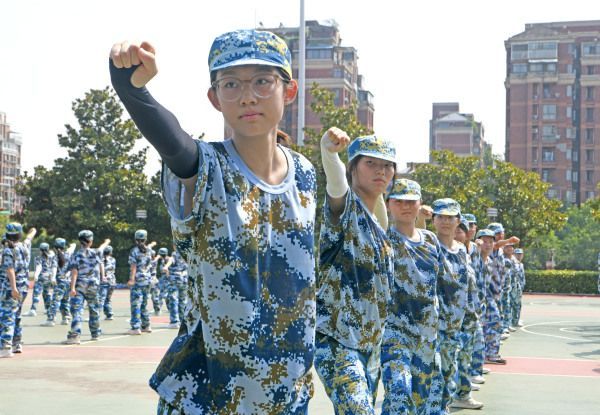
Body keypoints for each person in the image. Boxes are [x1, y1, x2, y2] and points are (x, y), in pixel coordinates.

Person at [110, 29, 317, 413]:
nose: (247, 96)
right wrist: (132, 91)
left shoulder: (305, 174)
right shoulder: (207, 168)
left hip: (287, 393)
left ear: (289, 91)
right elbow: (176, 146)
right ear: (214, 98)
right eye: (231, 84)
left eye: (262, 81)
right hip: (209, 394)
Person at [315, 129, 396, 414]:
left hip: (370, 343)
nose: (380, 171)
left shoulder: (380, 226)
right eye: (370, 163)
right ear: (353, 168)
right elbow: (336, 185)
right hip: (338, 340)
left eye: (387, 165)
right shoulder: (346, 207)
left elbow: (381, 217)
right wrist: (329, 152)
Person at [381, 179, 446, 415]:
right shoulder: (384, 239)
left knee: (422, 399)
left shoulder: (430, 240)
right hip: (395, 331)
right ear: (388, 205)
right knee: (398, 390)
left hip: (427, 334)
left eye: (411, 201)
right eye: (398, 201)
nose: (405, 206)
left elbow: (437, 285)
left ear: (420, 205)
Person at [451, 216, 484, 410]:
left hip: (469, 315)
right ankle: (454, 395)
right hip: (452, 319)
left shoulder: (464, 252)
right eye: (458, 229)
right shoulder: (439, 249)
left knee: (465, 356)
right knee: (451, 359)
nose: (458, 233)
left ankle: (463, 393)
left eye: (460, 230)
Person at [64, 230, 110, 344]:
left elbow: (74, 272)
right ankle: (95, 333)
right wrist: (102, 277)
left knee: (77, 310)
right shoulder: (96, 253)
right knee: (94, 309)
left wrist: (72, 288)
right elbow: (101, 264)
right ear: (90, 241)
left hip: (80, 285)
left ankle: (75, 334)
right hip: (93, 285)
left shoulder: (76, 255)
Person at [0, 224, 37, 357]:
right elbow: (29, 237)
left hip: (11, 288)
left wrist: (13, 287)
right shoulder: (24, 246)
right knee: (17, 316)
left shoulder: (8, 250)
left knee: (7, 316)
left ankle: (5, 347)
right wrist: (33, 231)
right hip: (23, 287)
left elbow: (10, 269)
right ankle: (17, 344)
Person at [127, 230, 155, 335]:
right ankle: (146, 325)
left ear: (135, 239)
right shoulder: (150, 251)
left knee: (136, 304)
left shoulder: (134, 251)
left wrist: (131, 279)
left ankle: (135, 327)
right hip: (147, 280)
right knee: (144, 304)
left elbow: (133, 267)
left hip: (138, 281)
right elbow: (152, 266)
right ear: (146, 239)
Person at [47, 238, 75, 325]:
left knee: (55, 300)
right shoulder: (69, 254)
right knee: (65, 300)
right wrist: (71, 246)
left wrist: (52, 278)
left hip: (59, 281)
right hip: (68, 281)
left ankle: (51, 319)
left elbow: (54, 268)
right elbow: (73, 247)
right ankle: (65, 318)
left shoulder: (55, 256)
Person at [36, 243, 59, 326]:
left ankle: (49, 314)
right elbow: (54, 267)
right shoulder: (52, 256)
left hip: (42, 277)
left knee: (43, 294)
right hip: (50, 277)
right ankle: (50, 313)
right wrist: (53, 277)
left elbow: (39, 267)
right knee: (48, 294)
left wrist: (35, 275)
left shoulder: (39, 257)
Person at [98, 245, 116, 320]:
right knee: (107, 299)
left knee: (101, 299)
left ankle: (96, 315)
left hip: (104, 281)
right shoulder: (113, 259)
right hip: (112, 281)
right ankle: (109, 314)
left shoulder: (101, 259)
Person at [512, 248, 526, 327]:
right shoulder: (513, 264)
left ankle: (516, 320)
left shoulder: (521, 265)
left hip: (519, 288)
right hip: (513, 288)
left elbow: (522, 277)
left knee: (518, 305)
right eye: (517, 254)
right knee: (512, 305)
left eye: (520, 254)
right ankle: (512, 321)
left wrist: (522, 286)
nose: (519, 256)